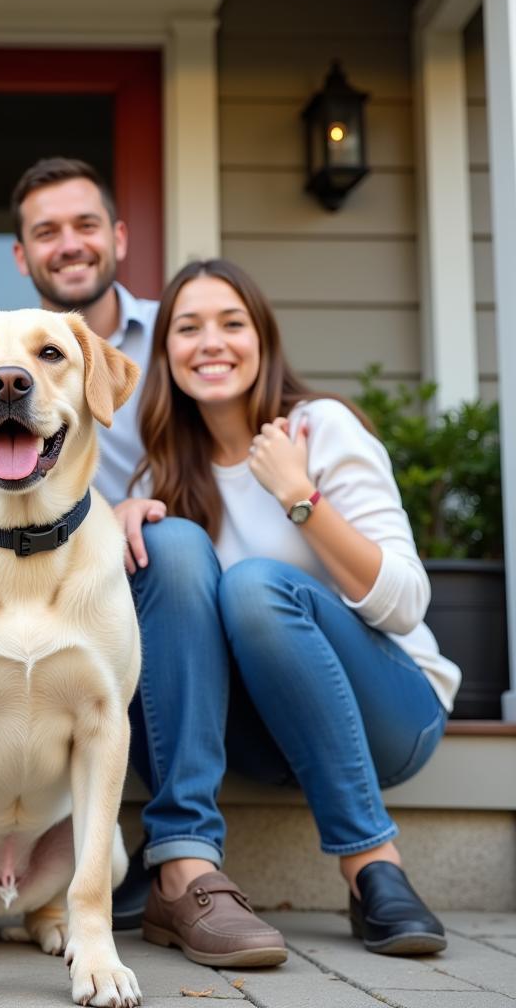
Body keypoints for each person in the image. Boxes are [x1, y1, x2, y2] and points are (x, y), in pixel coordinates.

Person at [114, 258, 460, 964]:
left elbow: (405, 603)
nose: (211, 342)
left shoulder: (319, 428)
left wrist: (299, 497)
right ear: (166, 353)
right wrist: (120, 524)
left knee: (254, 587)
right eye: (188, 328)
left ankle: (373, 867)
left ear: (263, 339)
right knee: (161, 558)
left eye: (231, 324)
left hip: (390, 713)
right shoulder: (164, 474)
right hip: (259, 742)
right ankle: (180, 859)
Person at [10, 156, 157, 505]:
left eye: (86, 226)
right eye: (46, 233)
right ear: (21, 256)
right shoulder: (1, 362)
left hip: (163, 534)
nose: (70, 245)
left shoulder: (177, 336)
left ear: (118, 238)